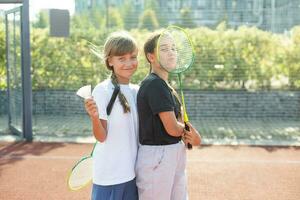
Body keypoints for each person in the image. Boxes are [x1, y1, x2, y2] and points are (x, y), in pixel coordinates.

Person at [136, 32, 201, 200]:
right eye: (164, 49)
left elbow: (181, 127)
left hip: (173, 154)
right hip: (158, 156)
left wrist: (191, 135)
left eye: (173, 48)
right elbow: (173, 128)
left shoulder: (165, 86)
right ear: (151, 57)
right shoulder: (154, 84)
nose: (171, 52)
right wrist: (191, 134)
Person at [84, 31, 139, 200]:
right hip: (109, 176)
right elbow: (101, 136)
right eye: (121, 58)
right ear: (110, 61)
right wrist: (94, 117)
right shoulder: (102, 90)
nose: (129, 63)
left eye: (133, 57)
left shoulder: (137, 91)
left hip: (133, 174)